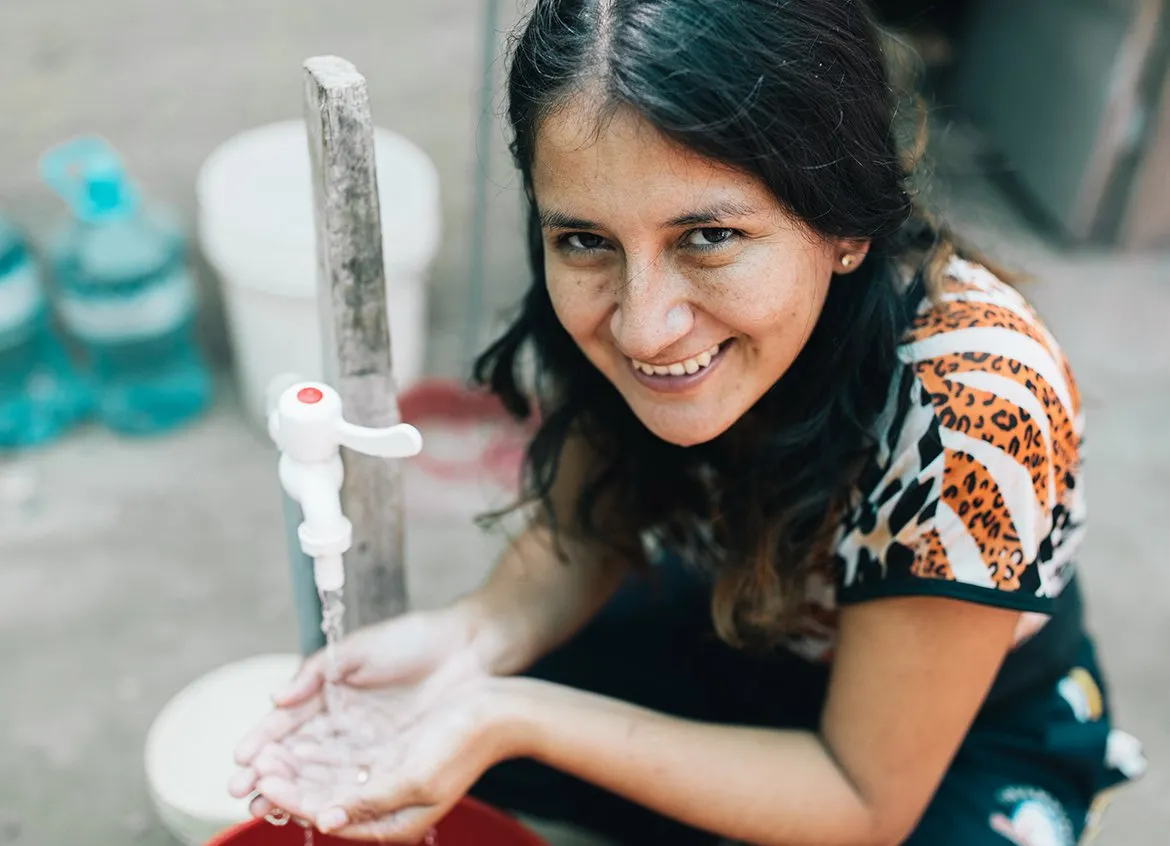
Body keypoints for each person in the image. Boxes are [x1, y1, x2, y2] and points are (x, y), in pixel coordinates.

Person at [229, 1, 1147, 843]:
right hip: (740, 610)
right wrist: (471, 641)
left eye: (708, 237)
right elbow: (594, 528)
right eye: (584, 239)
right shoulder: (603, 280)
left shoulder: (978, 413)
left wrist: (511, 712)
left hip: (947, 734)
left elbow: (862, 800)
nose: (642, 324)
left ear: (846, 224)